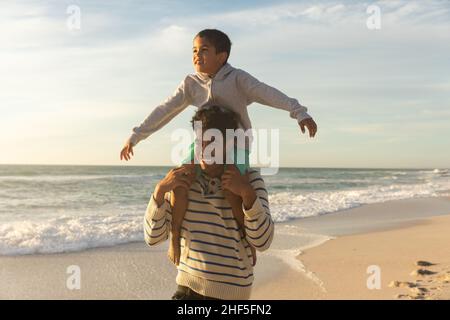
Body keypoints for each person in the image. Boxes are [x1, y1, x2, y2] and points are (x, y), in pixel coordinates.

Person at [122, 28, 317, 265]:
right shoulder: (190, 83)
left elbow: (267, 93)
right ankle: (175, 237)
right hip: (203, 143)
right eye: (194, 50)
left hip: (236, 144)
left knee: (230, 187)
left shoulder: (238, 79)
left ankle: (246, 239)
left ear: (222, 56)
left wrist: (299, 112)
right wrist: (136, 136)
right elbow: (165, 110)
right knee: (180, 182)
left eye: (204, 50)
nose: (197, 55)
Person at [144, 106, 274, 300]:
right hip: (186, 290)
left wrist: (246, 194)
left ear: (229, 145)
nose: (203, 150)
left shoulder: (250, 180)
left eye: (212, 142)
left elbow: (263, 242)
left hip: (232, 295)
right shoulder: (183, 181)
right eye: (199, 142)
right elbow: (152, 238)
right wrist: (159, 191)